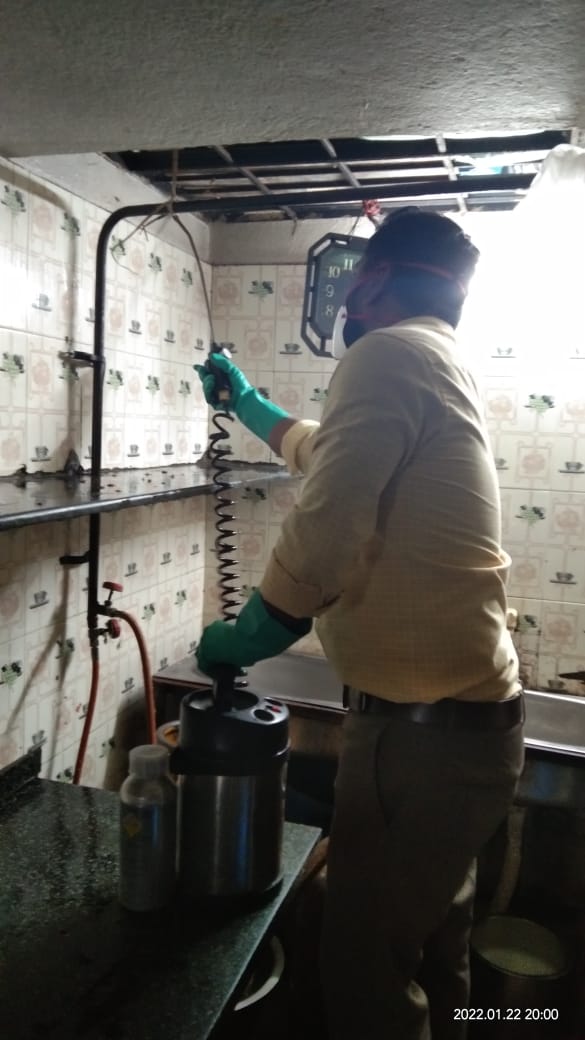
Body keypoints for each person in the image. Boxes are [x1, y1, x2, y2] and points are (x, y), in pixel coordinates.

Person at [195, 207, 524, 1040]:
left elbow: (328, 525)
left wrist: (252, 633)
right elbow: (333, 452)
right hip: (463, 734)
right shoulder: (434, 359)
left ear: (371, 281)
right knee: (432, 952)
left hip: (420, 742)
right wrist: (251, 407)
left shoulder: (386, 354)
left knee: (361, 967)